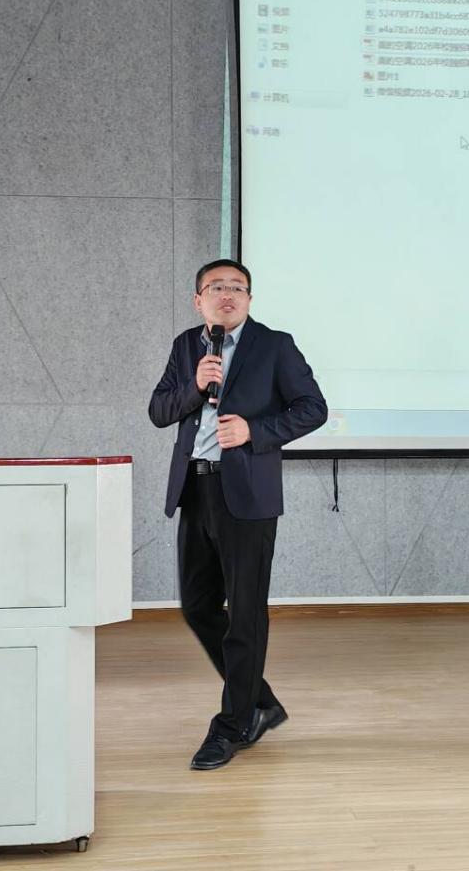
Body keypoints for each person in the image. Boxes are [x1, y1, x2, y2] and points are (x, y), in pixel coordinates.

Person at [148, 258, 327, 770]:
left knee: (245, 613)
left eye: (237, 288)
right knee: (198, 607)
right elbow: (159, 411)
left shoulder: (275, 345)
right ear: (198, 300)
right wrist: (193, 386)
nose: (227, 294)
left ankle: (231, 725)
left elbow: (312, 408)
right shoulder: (187, 346)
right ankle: (259, 702)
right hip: (195, 489)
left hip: (247, 494)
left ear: (249, 298)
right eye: (216, 287)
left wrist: (255, 431)